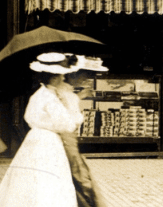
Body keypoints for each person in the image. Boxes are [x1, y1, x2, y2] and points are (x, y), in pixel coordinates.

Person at [0, 52, 108, 207]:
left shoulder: (39, 94)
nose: (64, 79)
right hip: (49, 141)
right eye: (62, 76)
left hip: (33, 140)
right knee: (51, 179)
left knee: (32, 177)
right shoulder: (51, 99)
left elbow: (28, 117)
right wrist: (75, 115)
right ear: (54, 77)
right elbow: (66, 124)